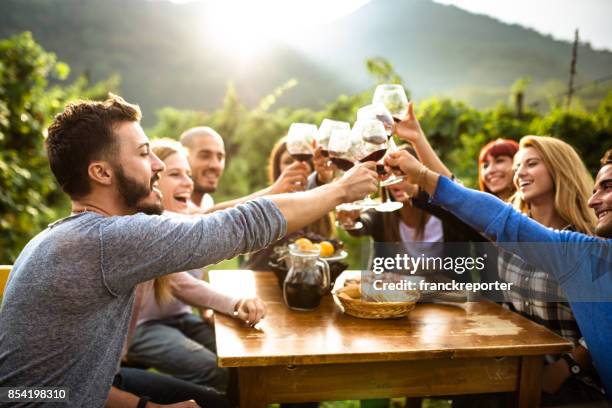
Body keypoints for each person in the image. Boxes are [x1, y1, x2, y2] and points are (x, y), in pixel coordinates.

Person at [0, 94, 379, 407]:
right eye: (144, 153)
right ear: (102, 173)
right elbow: (240, 225)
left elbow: (74, 385)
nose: (158, 165)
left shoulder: (72, 236)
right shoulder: (107, 240)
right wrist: (340, 190)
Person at [384, 148, 612, 400]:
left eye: (607, 186)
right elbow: (489, 215)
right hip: (524, 364)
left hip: (574, 384)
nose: (594, 200)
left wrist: (567, 367)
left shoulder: (585, 249)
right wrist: (418, 155)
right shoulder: (578, 249)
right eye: (517, 167)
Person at [125, 139, 266, 392]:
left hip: (179, 317)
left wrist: (222, 308)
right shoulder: (142, 225)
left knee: (243, 357)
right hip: (142, 329)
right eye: (175, 174)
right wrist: (233, 303)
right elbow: (181, 283)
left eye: (188, 174)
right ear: (152, 180)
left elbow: (209, 224)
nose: (188, 182)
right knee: (213, 369)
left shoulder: (191, 208)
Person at [243, 137, 335, 271]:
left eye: (306, 161)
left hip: (311, 282)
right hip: (264, 280)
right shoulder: (267, 205)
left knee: (372, 289)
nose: (298, 166)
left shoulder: (322, 208)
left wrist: (322, 184)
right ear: (278, 169)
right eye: (288, 161)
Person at [179, 127, 309, 213]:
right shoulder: (174, 204)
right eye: (205, 155)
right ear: (183, 158)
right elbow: (204, 218)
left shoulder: (207, 200)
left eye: (220, 157)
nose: (215, 165)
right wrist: (274, 190)